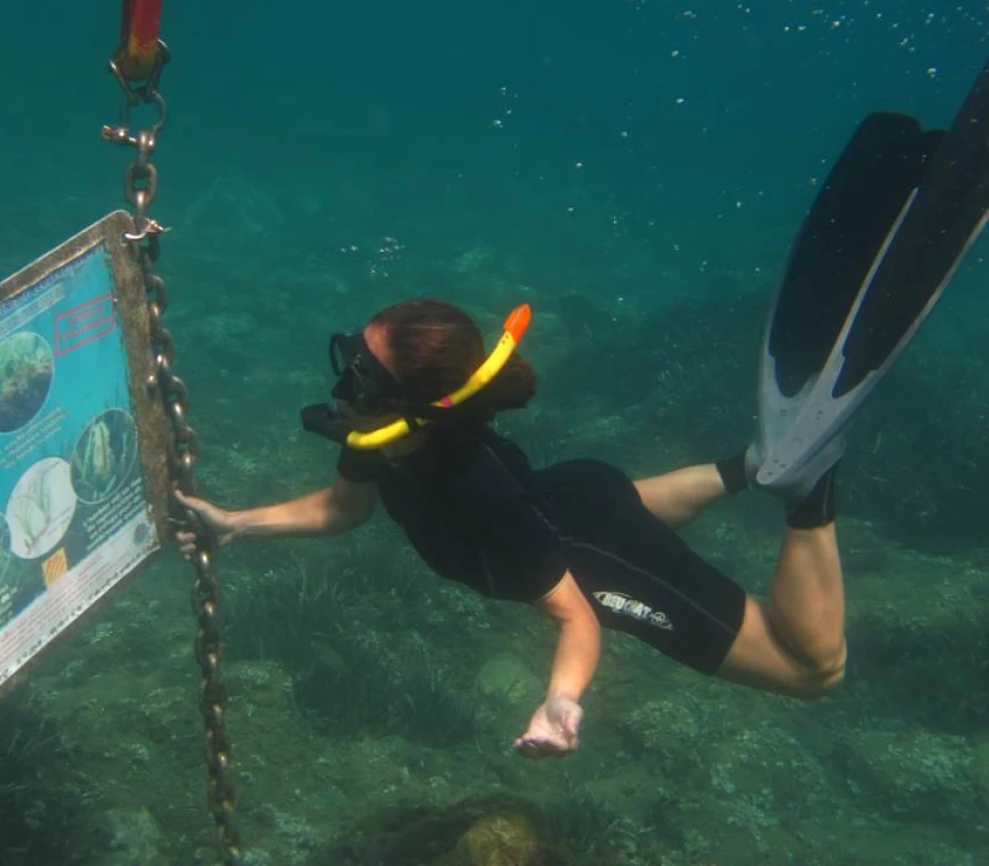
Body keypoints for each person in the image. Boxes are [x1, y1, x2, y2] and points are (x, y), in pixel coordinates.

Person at [175, 63, 988, 759]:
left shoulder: (468, 490)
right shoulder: (379, 431)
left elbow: (576, 617)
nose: (341, 381)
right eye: (347, 353)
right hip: (575, 494)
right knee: (611, 504)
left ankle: (806, 483)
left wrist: (562, 702)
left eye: (356, 367)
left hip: (591, 550)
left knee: (814, 671)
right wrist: (232, 523)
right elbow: (341, 508)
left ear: (412, 401)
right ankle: (748, 466)